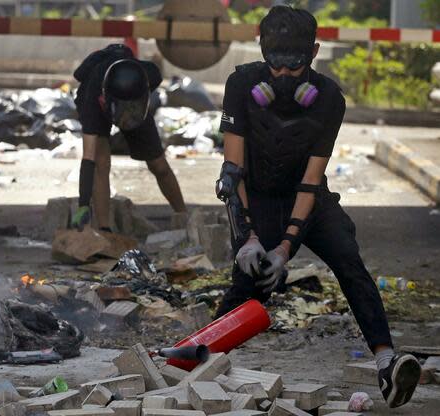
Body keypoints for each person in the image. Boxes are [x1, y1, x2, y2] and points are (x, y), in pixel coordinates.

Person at [215, 5, 420, 408]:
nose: (285, 76)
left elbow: (311, 182)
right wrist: (250, 239)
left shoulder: (328, 100)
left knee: (347, 257)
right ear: (262, 52)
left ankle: (386, 363)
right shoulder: (240, 86)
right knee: (250, 284)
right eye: (275, 64)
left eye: (295, 65)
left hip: (308, 195)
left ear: (313, 53)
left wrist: (285, 249)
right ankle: (192, 361)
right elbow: (231, 173)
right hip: (256, 195)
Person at [70, 44, 187, 231]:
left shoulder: (149, 76)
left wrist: (134, 110)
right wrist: (84, 204)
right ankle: (104, 229)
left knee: (159, 164)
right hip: (100, 97)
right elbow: (88, 158)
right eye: (123, 113)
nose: (126, 119)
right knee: (101, 162)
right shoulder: (92, 103)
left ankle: (183, 217)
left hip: (135, 103)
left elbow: (138, 106)